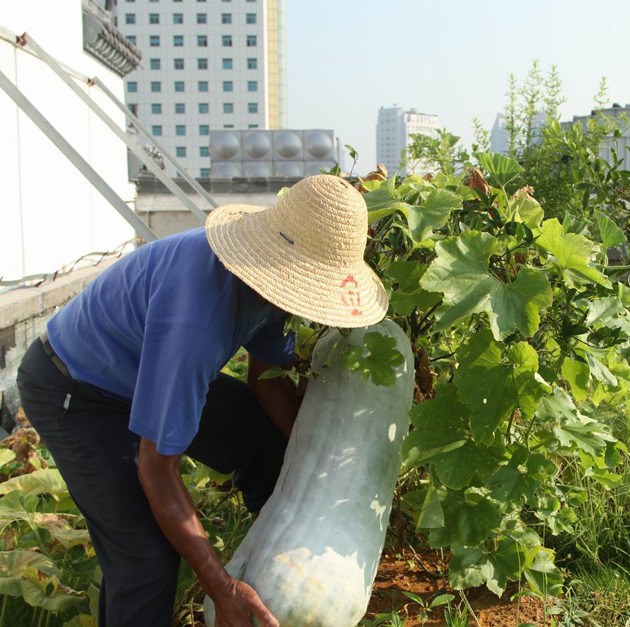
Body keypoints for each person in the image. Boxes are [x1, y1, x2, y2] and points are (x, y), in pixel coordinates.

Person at [16, 174, 388, 627]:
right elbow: (157, 470)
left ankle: (268, 571)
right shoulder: (197, 323)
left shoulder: (272, 284)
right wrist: (220, 586)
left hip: (143, 369)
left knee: (266, 445)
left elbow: (267, 381)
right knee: (145, 558)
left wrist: (325, 466)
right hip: (75, 390)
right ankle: (231, 595)